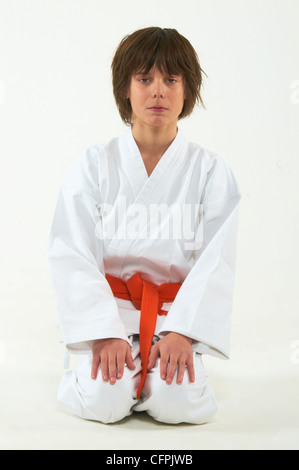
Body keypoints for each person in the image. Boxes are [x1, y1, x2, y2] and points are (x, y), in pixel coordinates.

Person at [48, 27, 241, 425]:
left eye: (171, 79)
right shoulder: (94, 165)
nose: (158, 91)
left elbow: (216, 262)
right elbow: (71, 250)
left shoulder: (209, 171)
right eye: (144, 79)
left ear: (187, 89)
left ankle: (163, 372)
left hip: (174, 315)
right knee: (104, 401)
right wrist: (102, 330)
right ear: (125, 89)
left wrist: (184, 333)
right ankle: (84, 368)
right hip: (110, 313)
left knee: (178, 405)